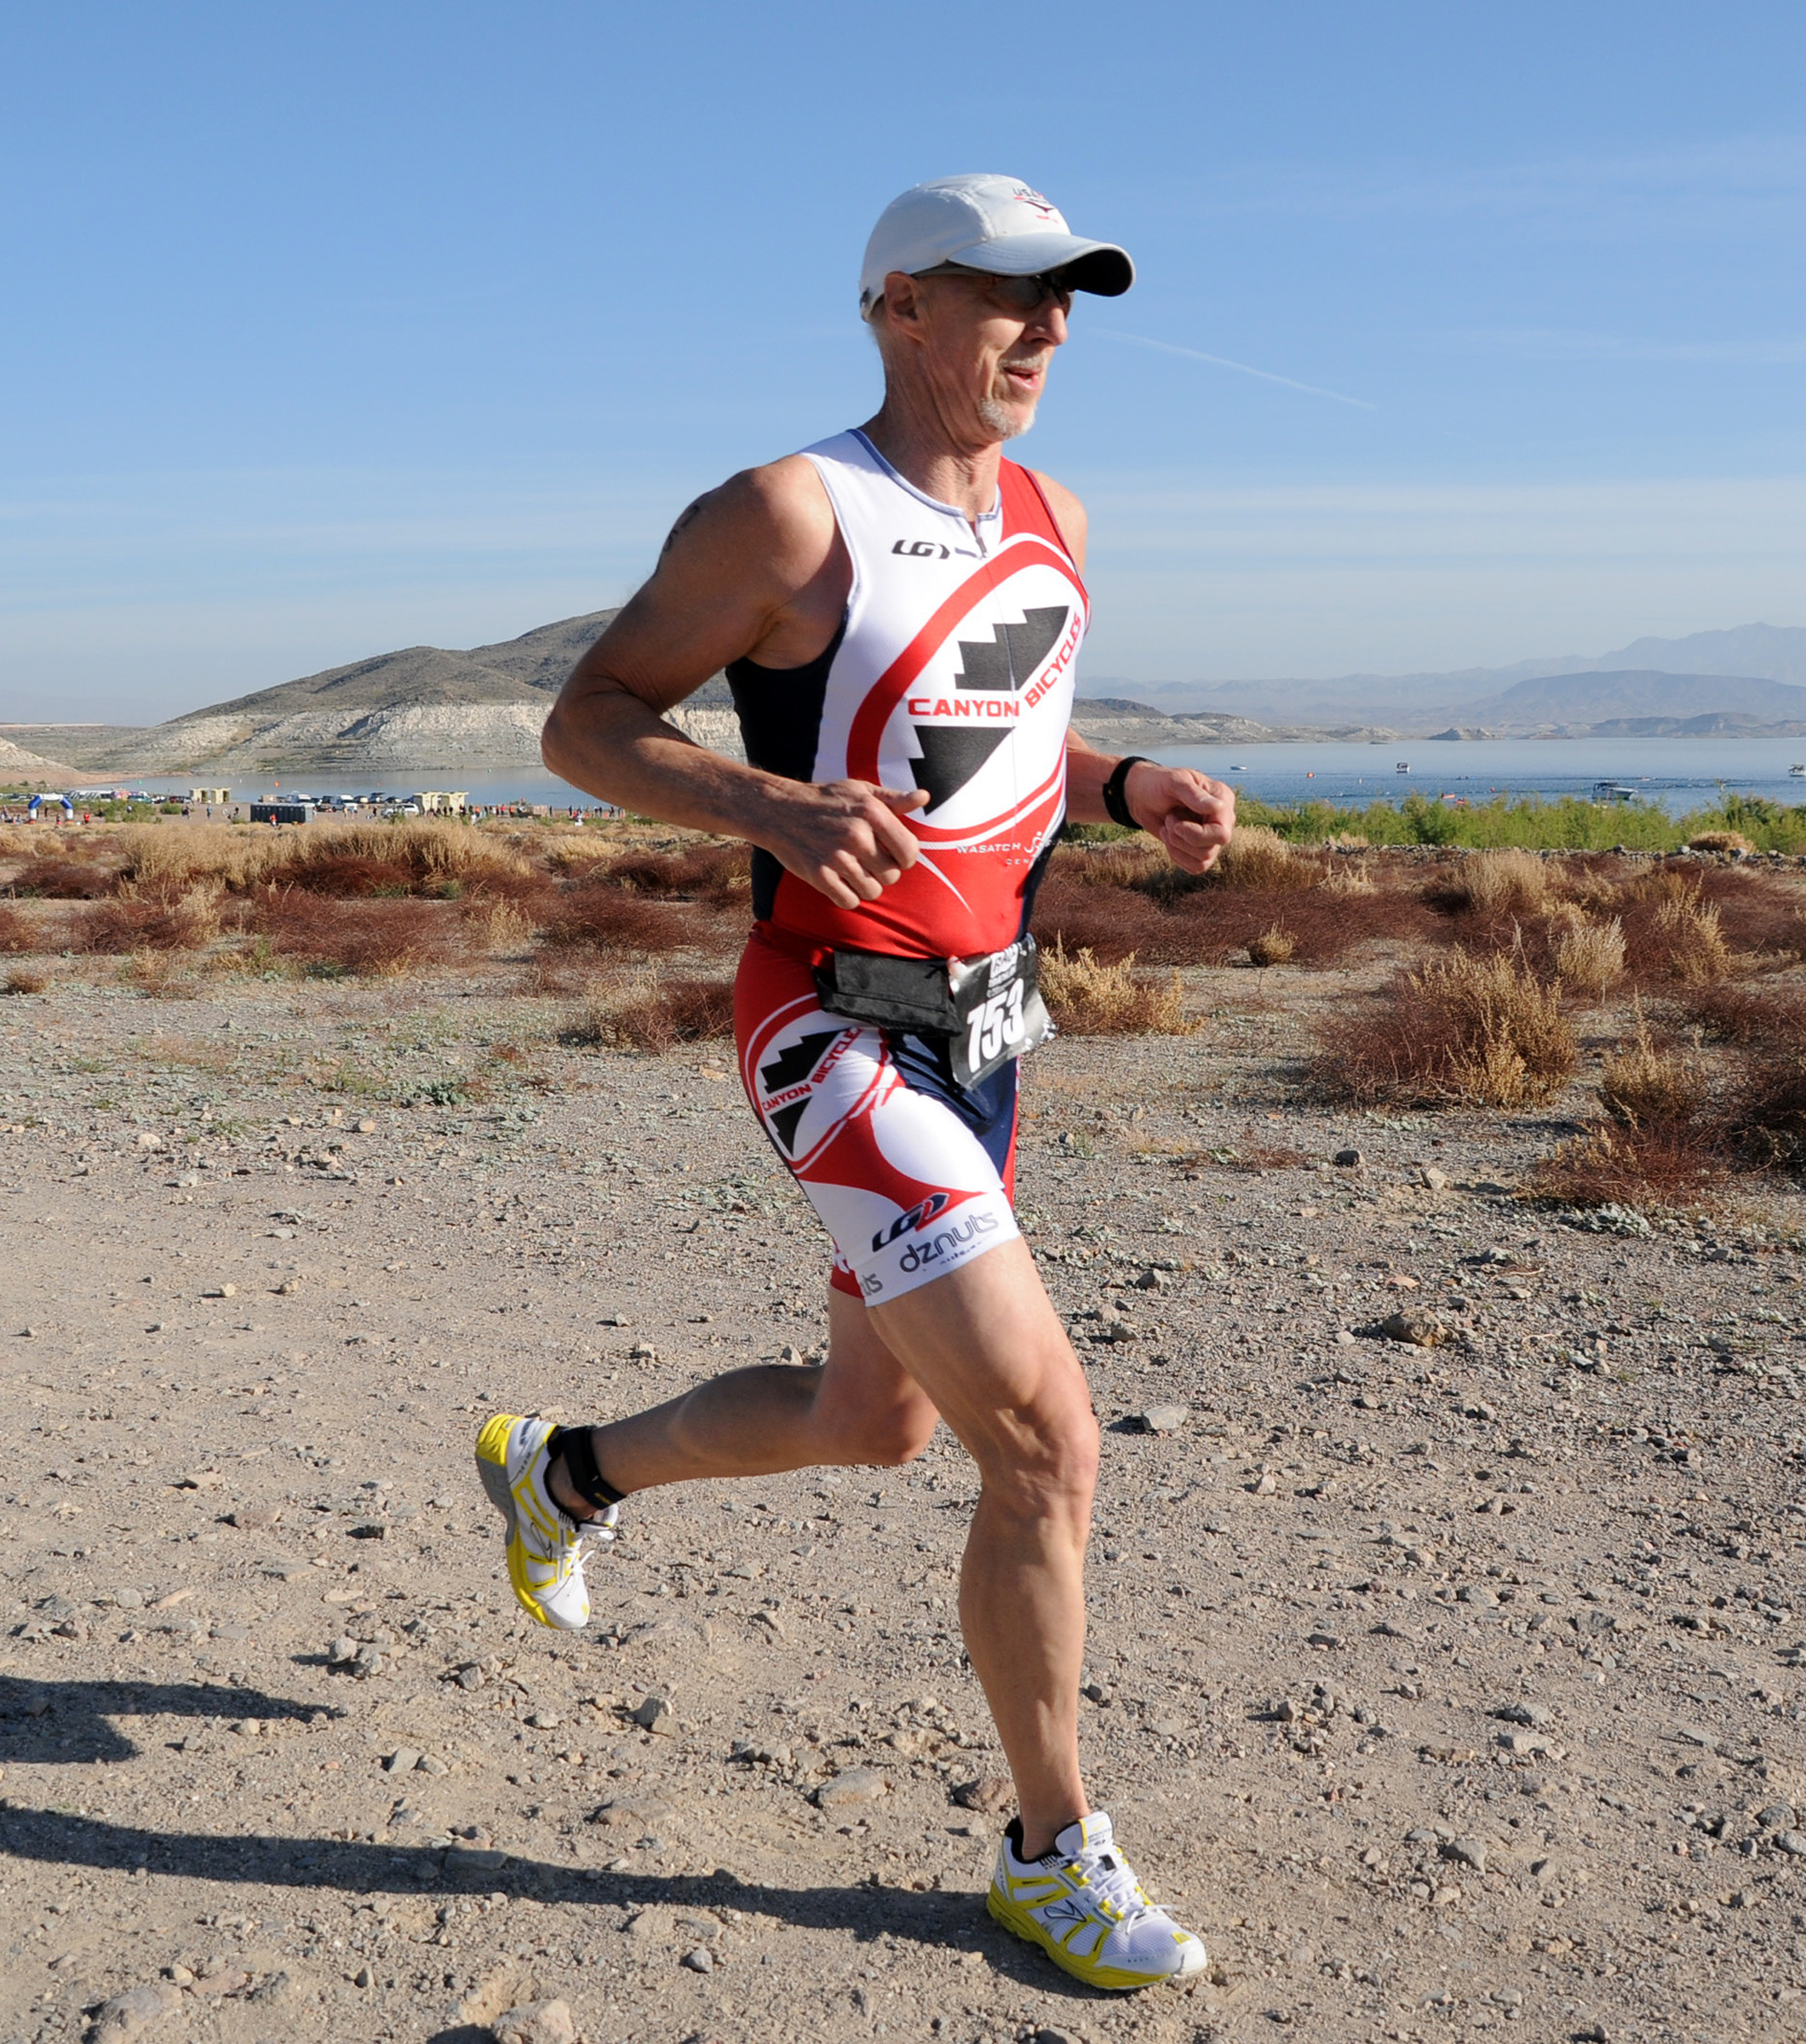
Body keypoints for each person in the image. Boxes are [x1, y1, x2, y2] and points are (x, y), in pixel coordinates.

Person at [479, 175, 1237, 1992]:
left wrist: (1125, 786)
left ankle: (563, 1478)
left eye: (1069, 304)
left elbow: (1002, 736)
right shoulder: (788, 515)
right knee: (1047, 1444)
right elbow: (583, 720)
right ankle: (1053, 1855)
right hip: (832, 1027)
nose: (1045, 331)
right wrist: (759, 801)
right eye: (1006, 298)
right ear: (895, 303)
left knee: (879, 1422)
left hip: (991, 1033)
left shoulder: (1048, 514)